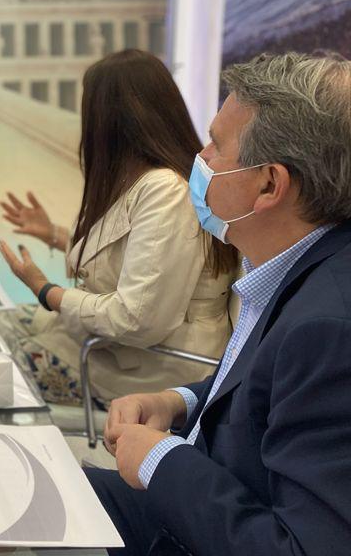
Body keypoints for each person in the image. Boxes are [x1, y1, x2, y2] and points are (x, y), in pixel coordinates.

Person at [87, 51, 351, 555]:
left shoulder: (329, 329)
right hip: (199, 497)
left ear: (269, 183)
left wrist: (160, 460)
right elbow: (268, 387)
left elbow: (297, 547)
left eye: (217, 145)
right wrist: (179, 402)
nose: (201, 157)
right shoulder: (294, 264)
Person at [0, 50, 239, 404]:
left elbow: (136, 319)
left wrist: (46, 291)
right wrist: (55, 234)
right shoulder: (147, 180)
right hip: (119, 353)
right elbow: (137, 256)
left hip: (152, 370)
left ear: (108, 121)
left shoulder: (165, 190)